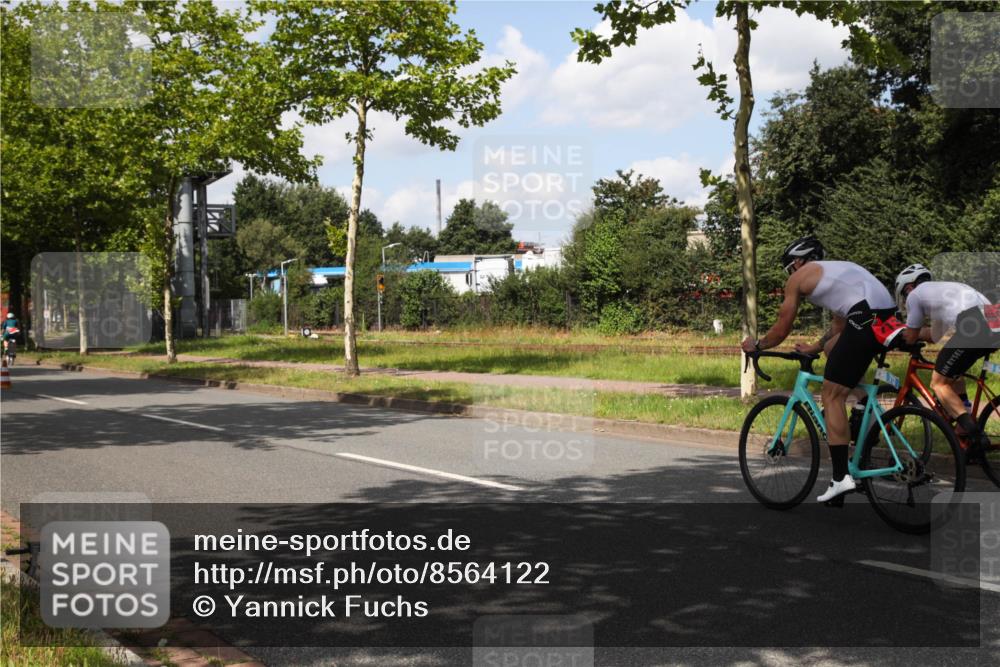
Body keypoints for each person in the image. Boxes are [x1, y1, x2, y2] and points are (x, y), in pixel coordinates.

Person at [741, 237, 899, 502]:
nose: (791, 273)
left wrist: (757, 345)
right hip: (884, 317)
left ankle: (839, 478)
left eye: (790, 267)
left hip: (864, 319)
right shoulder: (835, 273)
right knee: (832, 349)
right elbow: (839, 327)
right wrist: (814, 347)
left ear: (800, 261)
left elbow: (782, 326)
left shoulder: (800, 277)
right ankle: (864, 409)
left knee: (832, 396)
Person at [895, 263, 999, 450]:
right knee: (950, 369)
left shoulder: (915, 295)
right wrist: (914, 333)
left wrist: (897, 336)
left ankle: (975, 435)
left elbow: (910, 337)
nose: (906, 298)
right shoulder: (942, 293)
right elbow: (934, 336)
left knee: (938, 383)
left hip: (974, 323)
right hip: (993, 318)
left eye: (904, 294)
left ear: (908, 287)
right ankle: (963, 426)